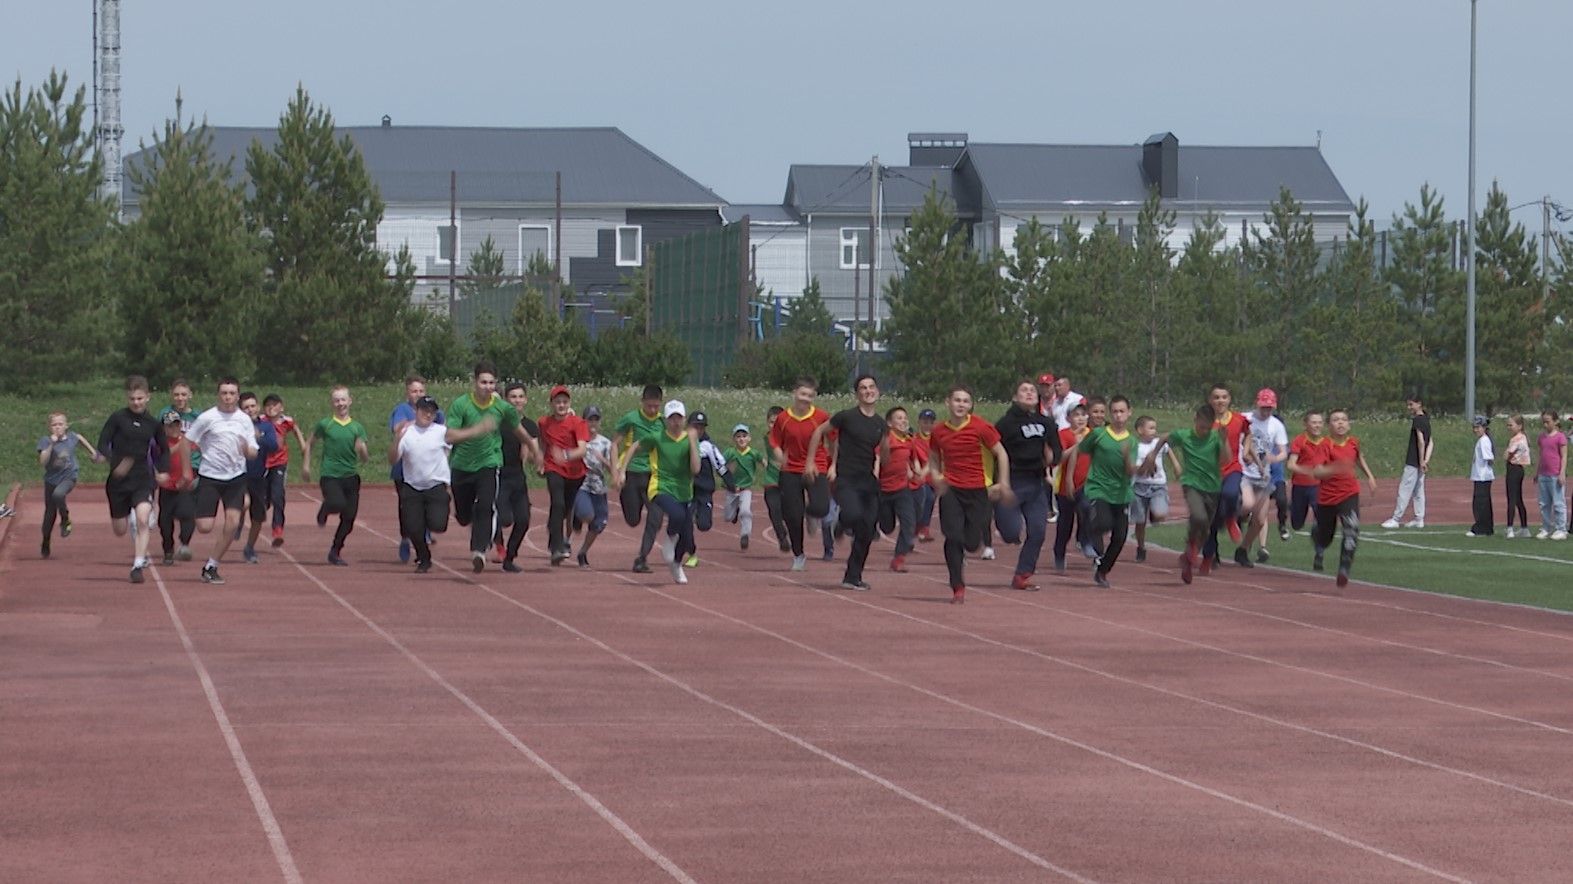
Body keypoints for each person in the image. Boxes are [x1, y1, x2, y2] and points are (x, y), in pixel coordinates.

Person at [390, 396, 497, 574]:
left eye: (432, 412)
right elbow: (393, 459)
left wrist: (479, 428)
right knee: (413, 528)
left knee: (438, 524)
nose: (428, 414)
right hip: (412, 487)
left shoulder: (441, 431)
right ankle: (424, 558)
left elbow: (461, 436)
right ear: (416, 411)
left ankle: (434, 516)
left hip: (436, 486)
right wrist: (396, 438)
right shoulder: (407, 433)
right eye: (424, 410)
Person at [928, 386, 1013, 604]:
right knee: (953, 536)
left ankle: (969, 548)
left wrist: (1002, 482)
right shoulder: (939, 431)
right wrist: (936, 476)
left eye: (965, 401)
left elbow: (1001, 454)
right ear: (948, 402)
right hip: (952, 490)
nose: (961, 405)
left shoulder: (981, 427)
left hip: (978, 490)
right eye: (957, 400)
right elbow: (934, 456)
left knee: (972, 542)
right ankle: (957, 585)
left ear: (970, 405)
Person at [447, 362, 530, 573]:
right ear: (475, 382)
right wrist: (476, 430)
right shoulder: (461, 404)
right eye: (483, 382)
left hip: (489, 463)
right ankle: (468, 518)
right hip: (462, 466)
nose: (487, 387)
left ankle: (479, 551)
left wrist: (534, 448)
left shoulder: (502, 407)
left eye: (492, 383)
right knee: (465, 516)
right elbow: (449, 435)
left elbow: (518, 429)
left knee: (485, 505)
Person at [808, 374, 887, 591]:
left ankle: (853, 576)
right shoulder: (846, 417)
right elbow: (819, 432)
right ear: (857, 394)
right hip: (846, 479)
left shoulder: (881, 424)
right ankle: (842, 521)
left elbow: (882, 453)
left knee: (867, 529)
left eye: (871, 387)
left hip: (868, 483)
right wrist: (811, 462)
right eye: (863, 388)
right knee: (853, 514)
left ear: (877, 392)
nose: (868, 391)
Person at [616, 399, 702, 585]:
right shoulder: (656, 437)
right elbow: (633, 447)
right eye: (671, 418)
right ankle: (670, 540)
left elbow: (695, 469)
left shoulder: (689, 440)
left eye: (679, 418)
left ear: (684, 419)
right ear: (666, 420)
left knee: (687, 538)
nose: (675, 422)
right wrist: (622, 470)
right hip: (660, 487)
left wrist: (694, 443)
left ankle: (676, 564)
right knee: (676, 515)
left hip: (684, 491)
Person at [183, 378, 260, 585]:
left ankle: (211, 565)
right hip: (210, 477)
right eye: (224, 393)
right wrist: (186, 472)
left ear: (237, 395)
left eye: (232, 393)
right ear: (219, 395)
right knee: (205, 526)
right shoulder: (207, 418)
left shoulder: (244, 420)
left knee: (232, 522)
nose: (228, 397)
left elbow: (253, 451)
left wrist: (246, 450)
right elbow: (187, 442)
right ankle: (192, 505)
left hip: (235, 478)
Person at [1294, 408, 1377, 588]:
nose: (1340, 423)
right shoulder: (1324, 444)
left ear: (1348, 424)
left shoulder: (1354, 442)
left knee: (1352, 529)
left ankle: (1344, 569)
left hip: (1349, 494)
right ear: (1329, 426)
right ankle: (1318, 538)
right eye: (1335, 420)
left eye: (1344, 420)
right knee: (1325, 537)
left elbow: (1358, 458)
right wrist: (1334, 469)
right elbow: (1317, 471)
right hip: (1327, 498)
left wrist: (1369, 476)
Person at [99, 376, 171, 583]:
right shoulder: (117, 418)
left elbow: (164, 450)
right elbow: (103, 443)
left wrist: (163, 470)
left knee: (142, 518)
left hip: (143, 479)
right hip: (118, 483)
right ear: (127, 398)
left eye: (140, 398)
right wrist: (113, 462)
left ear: (148, 397)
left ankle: (138, 564)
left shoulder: (153, 424)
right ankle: (128, 520)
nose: (136, 402)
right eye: (132, 398)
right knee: (120, 530)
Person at [993, 378, 1062, 590]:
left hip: (1036, 483)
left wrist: (1052, 458)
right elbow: (994, 452)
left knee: (1038, 531)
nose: (1029, 393)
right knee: (1011, 533)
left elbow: (1057, 450)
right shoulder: (1005, 424)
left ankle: (1023, 574)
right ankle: (1003, 522)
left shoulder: (1047, 423)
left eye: (1032, 390)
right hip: (1012, 481)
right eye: (1024, 390)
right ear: (1015, 397)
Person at [1066, 395, 1140, 588]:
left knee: (1120, 537)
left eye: (1122, 411)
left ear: (1129, 413)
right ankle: (1086, 533)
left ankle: (1102, 570)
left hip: (1121, 493)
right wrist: (1069, 477)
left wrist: (1127, 460)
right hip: (1099, 488)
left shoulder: (1131, 442)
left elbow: (1131, 471)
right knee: (1103, 522)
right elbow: (1079, 450)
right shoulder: (1099, 434)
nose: (1118, 415)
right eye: (1114, 411)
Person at [1159, 404, 1230, 585]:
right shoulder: (1184, 435)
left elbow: (1225, 460)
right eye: (1201, 426)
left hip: (1212, 487)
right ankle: (1191, 548)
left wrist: (1225, 441)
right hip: (1191, 484)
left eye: (1208, 428)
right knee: (1198, 516)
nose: (1204, 431)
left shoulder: (1215, 438)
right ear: (1196, 420)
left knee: (1205, 529)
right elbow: (1164, 438)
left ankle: (1188, 557)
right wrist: (1153, 456)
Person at [769, 377, 832, 571]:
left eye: (810, 395)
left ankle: (812, 515)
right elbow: (775, 442)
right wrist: (780, 455)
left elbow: (833, 440)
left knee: (821, 507)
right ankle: (799, 554)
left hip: (816, 466)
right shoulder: (783, 418)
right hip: (790, 470)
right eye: (803, 394)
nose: (806, 399)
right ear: (795, 393)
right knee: (792, 516)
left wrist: (833, 465)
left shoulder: (821, 417)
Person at [307, 386, 369, 566]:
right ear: (332, 403)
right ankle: (325, 508)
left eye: (343, 400)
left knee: (349, 518)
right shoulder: (325, 424)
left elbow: (364, 458)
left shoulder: (357, 427)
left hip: (350, 477)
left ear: (350, 401)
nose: (340, 403)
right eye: (337, 400)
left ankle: (335, 551)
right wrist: (306, 465)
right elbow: (310, 443)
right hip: (330, 475)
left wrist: (362, 450)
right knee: (336, 503)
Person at [389, 375, 443, 563]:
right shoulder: (402, 410)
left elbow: (442, 431)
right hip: (404, 470)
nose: (417, 394)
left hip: (428, 468)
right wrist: (416, 423)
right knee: (407, 508)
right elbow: (398, 428)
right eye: (414, 391)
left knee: (428, 504)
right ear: (407, 392)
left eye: (421, 391)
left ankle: (424, 534)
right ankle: (406, 537)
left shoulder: (435, 411)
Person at [615, 384, 667, 573]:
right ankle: (625, 497)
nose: (652, 410)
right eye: (649, 406)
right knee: (633, 520)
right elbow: (615, 444)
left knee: (656, 517)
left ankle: (642, 558)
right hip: (631, 473)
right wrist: (617, 471)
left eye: (656, 406)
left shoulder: (664, 422)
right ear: (642, 402)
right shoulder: (631, 419)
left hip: (653, 476)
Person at [1234, 388, 1288, 568]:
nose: (1266, 411)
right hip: (1244, 472)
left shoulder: (1276, 426)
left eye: (1269, 408)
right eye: (1264, 407)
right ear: (1257, 404)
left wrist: (1274, 458)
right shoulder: (1245, 419)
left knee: (1259, 520)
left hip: (1263, 475)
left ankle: (1243, 549)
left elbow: (1283, 452)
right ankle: (1233, 517)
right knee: (1248, 504)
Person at [37, 411, 101, 559]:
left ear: (66, 426)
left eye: (60, 424)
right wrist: (51, 444)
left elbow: (80, 439)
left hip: (69, 477)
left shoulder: (72, 437)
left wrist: (93, 453)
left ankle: (65, 519)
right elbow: (42, 461)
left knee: (59, 494)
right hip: (51, 480)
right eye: (54, 425)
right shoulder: (45, 441)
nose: (57, 428)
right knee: (49, 516)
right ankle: (46, 541)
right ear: (49, 427)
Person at [539, 384, 590, 566]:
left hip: (575, 473)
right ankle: (557, 548)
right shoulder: (544, 422)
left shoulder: (578, 423)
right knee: (557, 503)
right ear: (551, 403)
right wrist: (540, 461)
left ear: (569, 403)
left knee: (566, 509)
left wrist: (566, 455)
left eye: (564, 402)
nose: (561, 405)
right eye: (558, 402)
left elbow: (582, 449)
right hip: (554, 468)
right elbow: (543, 444)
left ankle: (553, 533)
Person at [1202, 384, 1251, 567]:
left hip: (1232, 468)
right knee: (1211, 516)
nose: (1220, 401)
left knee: (1230, 495)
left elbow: (1248, 434)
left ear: (1229, 399)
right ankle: (1210, 553)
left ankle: (1231, 517)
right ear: (1210, 400)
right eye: (1216, 397)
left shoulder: (1239, 419)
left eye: (1223, 397)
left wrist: (1246, 452)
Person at [496, 382, 542, 573]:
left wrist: (535, 460)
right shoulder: (499, 423)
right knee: (505, 518)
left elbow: (534, 454)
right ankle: (493, 535)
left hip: (517, 477)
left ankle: (509, 558)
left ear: (526, 399)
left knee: (523, 520)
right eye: (513, 396)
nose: (517, 400)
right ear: (506, 400)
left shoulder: (530, 426)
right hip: (499, 474)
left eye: (520, 396)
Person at [158, 379, 201, 550]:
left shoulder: (197, 416)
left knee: (187, 509)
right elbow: (158, 440)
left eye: (183, 394)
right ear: (171, 395)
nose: (180, 398)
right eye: (176, 394)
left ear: (190, 395)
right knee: (166, 515)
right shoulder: (165, 414)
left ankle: (185, 543)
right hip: (170, 468)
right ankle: (168, 545)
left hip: (193, 466)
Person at [238, 392, 280, 564]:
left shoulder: (266, 426)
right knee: (243, 503)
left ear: (258, 407)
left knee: (258, 516)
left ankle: (249, 547)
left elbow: (274, 446)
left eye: (252, 406)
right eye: (246, 407)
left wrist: (258, 437)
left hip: (258, 477)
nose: (250, 410)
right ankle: (238, 520)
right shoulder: (236, 425)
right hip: (239, 475)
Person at [877, 407, 920, 573]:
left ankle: (899, 558)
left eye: (905, 418)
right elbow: (877, 459)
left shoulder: (910, 441)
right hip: (884, 490)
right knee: (887, 527)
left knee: (909, 523)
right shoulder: (886, 440)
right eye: (899, 418)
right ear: (889, 423)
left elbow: (913, 461)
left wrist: (914, 472)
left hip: (902, 489)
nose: (903, 421)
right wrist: (874, 477)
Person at [262, 394, 309, 548]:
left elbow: (295, 429)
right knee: (264, 499)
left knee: (278, 496)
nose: (271, 408)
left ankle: (277, 530)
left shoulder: (286, 421)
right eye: (268, 405)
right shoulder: (261, 420)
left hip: (279, 464)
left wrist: (303, 445)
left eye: (275, 405)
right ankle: (259, 512)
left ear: (281, 407)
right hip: (262, 464)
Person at [1051, 404, 1093, 574]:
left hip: (1088, 485)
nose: (1081, 418)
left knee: (1088, 510)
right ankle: (1059, 553)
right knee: (1065, 524)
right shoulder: (1064, 435)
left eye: (1084, 415)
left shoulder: (1093, 435)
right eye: (1076, 415)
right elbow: (1059, 458)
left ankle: (1087, 542)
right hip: (1065, 487)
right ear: (1069, 418)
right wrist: (1077, 445)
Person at [1129, 415, 1176, 565]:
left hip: (1158, 485)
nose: (1153, 431)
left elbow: (1168, 451)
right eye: (1150, 428)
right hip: (1140, 486)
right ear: (1140, 430)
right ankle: (1141, 547)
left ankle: (1155, 515)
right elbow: (1136, 469)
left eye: (1155, 428)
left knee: (1160, 513)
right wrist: (1147, 465)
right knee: (1139, 521)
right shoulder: (1135, 447)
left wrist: (1176, 465)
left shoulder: (1158, 443)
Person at [572, 406, 614, 568]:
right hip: (582, 484)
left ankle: (583, 552)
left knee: (599, 524)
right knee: (587, 514)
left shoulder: (605, 443)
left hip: (599, 487)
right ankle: (577, 516)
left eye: (596, 419)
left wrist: (603, 460)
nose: (593, 423)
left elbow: (612, 469)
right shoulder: (578, 440)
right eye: (590, 419)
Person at [684, 411, 728, 567]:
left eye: (701, 427)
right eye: (695, 426)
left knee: (704, 525)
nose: (698, 430)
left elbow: (720, 465)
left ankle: (698, 514)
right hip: (687, 491)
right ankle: (691, 553)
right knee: (684, 523)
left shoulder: (708, 446)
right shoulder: (682, 443)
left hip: (704, 491)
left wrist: (730, 482)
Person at [155, 412, 198, 565]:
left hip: (184, 486)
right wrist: (183, 443)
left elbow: (203, 452)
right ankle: (168, 550)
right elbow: (165, 454)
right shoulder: (160, 443)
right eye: (169, 425)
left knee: (187, 515)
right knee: (165, 522)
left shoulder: (188, 441)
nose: (173, 428)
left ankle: (185, 543)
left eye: (176, 424)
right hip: (167, 487)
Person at [1383, 394, 1432, 529]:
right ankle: (1419, 518)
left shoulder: (1417, 420)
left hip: (1413, 462)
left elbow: (1421, 441)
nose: (1409, 407)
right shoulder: (1427, 419)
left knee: (1405, 489)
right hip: (1421, 462)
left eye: (1411, 404)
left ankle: (1396, 518)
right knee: (1418, 491)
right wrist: (1426, 460)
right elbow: (1431, 442)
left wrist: (1421, 460)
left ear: (1419, 404)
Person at [723, 423, 768, 551]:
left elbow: (763, 462)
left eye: (744, 436)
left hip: (745, 488)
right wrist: (725, 472)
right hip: (731, 489)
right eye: (738, 437)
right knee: (728, 517)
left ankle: (745, 535)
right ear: (734, 439)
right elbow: (720, 463)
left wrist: (770, 470)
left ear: (749, 438)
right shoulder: (730, 452)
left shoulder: (753, 453)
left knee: (746, 511)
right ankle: (735, 511)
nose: (741, 439)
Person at [1286, 411, 1325, 536]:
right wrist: (1308, 471)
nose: (1317, 425)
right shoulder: (1300, 441)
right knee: (1297, 523)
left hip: (1319, 485)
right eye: (1314, 422)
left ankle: (1319, 551)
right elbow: (1291, 464)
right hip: (1300, 485)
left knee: (1320, 515)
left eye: (1319, 423)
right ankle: (1291, 507)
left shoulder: (1327, 443)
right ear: (1306, 424)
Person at [1534, 410, 1567, 540]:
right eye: (1544, 422)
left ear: (1555, 421)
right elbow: (1541, 456)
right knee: (1544, 503)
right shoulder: (1542, 437)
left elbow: (1564, 456)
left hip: (1555, 474)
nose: (1545, 424)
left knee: (1558, 502)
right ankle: (1546, 528)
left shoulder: (1560, 437)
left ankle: (1561, 529)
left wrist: (1562, 473)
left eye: (1548, 422)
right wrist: (1537, 472)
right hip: (1544, 474)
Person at [912, 408, 938, 542]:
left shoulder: (936, 440)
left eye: (930, 422)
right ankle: (920, 527)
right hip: (918, 478)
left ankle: (923, 527)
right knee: (926, 498)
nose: (928, 425)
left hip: (932, 477)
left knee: (931, 500)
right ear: (919, 422)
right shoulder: (914, 440)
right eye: (925, 422)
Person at [1468, 416, 1496, 538]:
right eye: (1474, 427)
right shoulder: (1482, 440)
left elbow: (1489, 458)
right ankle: (1487, 527)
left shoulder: (1484, 441)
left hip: (1482, 477)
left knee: (1480, 504)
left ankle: (1480, 527)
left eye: (1478, 427)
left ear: (1484, 428)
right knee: (1483, 503)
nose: (1476, 430)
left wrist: (1485, 471)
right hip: (1481, 476)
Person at [1504, 415, 1531, 538]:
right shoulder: (1524, 438)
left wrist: (1506, 453)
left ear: (1519, 426)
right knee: (1519, 499)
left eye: (1511, 425)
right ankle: (1524, 528)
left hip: (1513, 468)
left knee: (1512, 498)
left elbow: (1506, 455)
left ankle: (1510, 528)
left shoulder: (1516, 439)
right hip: (1520, 469)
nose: (1508, 427)